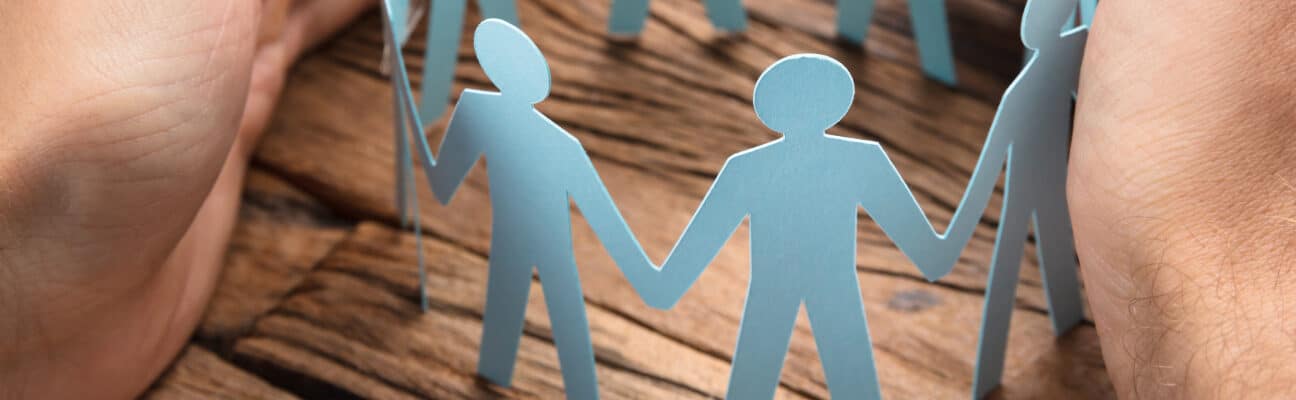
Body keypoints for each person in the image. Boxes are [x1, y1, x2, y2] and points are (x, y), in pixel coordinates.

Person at [3, 1, 1294, 399]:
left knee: (525, 306)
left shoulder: (758, 159)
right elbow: (918, 232)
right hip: (529, 271)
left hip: (522, 271)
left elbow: (478, 181)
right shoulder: (826, 156)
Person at [611, 54, 987, 399]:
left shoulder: (748, 168)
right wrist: (979, 198)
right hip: (828, 287)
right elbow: (930, 256)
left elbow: (676, 274)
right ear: (834, 104)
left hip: (778, 289)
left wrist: (638, 266)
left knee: (754, 386)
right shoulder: (860, 160)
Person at [418, 19, 649, 400]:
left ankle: (512, 374)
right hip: (541, 241)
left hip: (516, 236)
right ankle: (566, 387)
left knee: (528, 307)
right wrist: (645, 273)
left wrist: (421, 145)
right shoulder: (554, 139)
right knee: (561, 314)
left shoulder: (480, 111)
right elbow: (601, 212)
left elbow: (442, 187)